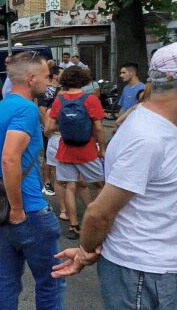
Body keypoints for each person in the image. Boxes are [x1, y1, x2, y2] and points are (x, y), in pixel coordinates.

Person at [51, 42, 177, 309]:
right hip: (144, 272)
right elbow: (98, 213)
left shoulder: (156, 124)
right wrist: (85, 250)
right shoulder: (149, 138)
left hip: (152, 268)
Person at [0, 51, 62, 309]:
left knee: (8, 279)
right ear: (31, 78)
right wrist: (18, 208)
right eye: (46, 76)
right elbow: (9, 158)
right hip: (27, 210)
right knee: (51, 282)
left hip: (1, 208)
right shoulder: (26, 109)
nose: (50, 81)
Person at [46, 66, 106, 240]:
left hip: (65, 150)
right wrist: (102, 148)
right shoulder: (91, 99)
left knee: (69, 187)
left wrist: (65, 125)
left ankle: (74, 226)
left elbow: (50, 127)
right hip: (87, 150)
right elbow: (99, 128)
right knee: (101, 185)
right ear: (83, 80)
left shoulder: (59, 100)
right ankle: (100, 220)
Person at [38, 66, 62, 198]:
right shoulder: (45, 89)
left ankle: (60, 181)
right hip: (48, 129)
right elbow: (42, 110)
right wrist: (47, 126)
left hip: (58, 130)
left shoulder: (62, 88)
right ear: (55, 75)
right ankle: (47, 182)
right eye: (62, 73)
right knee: (48, 157)